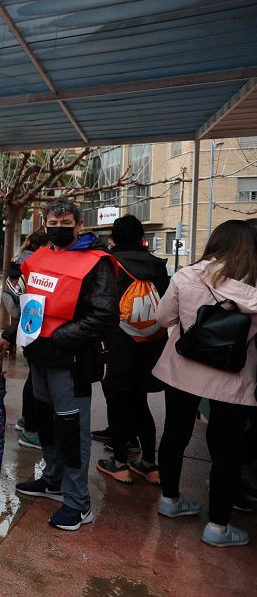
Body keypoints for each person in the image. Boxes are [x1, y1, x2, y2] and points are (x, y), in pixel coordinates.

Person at [0, 198, 118, 531]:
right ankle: (52, 478)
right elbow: (29, 305)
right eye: (53, 222)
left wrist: (59, 338)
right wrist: (10, 332)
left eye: (66, 224)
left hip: (71, 363)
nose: (59, 228)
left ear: (79, 225)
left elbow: (104, 315)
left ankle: (79, 504)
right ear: (45, 223)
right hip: (39, 358)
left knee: (71, 430)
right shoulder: (39, 258)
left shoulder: (98, 263)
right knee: (46, 423)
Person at [151, 219, 257, 548]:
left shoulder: (187, 276)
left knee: (174, 435)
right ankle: (218, 528)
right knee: (227, 453)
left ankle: (169, 500)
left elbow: (162, 319)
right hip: (231, 383)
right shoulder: (254, 290)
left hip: (181, 372)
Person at [94, 215, 168, 485]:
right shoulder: (158, 267)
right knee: (140, 403)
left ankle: (120, 463)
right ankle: (150, 464)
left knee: (116, 402)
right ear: (142, 238)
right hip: (150, 346)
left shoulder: (108, 264)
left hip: (116, 345)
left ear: (113, 238)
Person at [3, 229, 49, 450]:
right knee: (35, 380)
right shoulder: (37, 262)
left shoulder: (20, 259)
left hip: (24, 321)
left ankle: (25, 421)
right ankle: (31, 430)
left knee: (33, 377)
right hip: (33, 321)